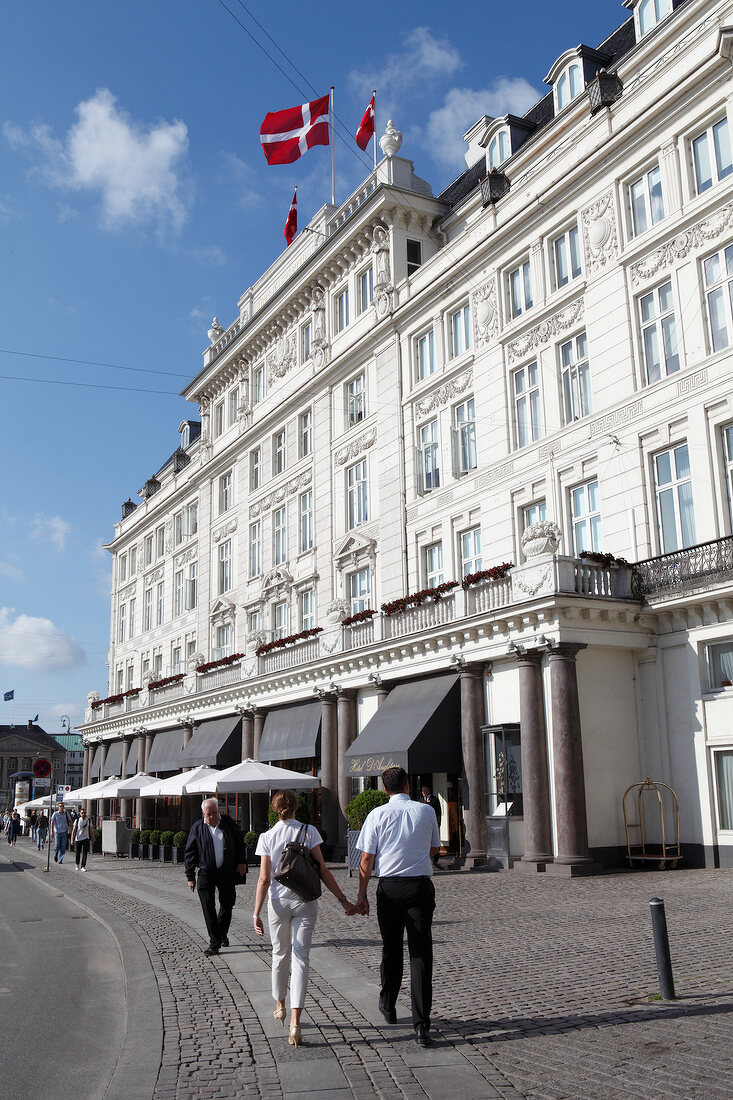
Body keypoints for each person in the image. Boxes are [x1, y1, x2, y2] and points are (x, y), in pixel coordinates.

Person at [253, 790, 357, 1047]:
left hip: (278, 903)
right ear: (297, 807)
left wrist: (256, 912)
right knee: (301, 959)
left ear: (274, 809)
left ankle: (280, 1004)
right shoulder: (310, 831)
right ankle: (296, 1023)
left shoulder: (267, 837)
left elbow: (264, 879)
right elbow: (322, 869)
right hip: (305, 900)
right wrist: (343, 899)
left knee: (280, 954)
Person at [356, 766, 441, 1048]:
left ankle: (389, 1003)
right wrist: (415, 858)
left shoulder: (376, 815)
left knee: (391, 946)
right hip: (418, 886)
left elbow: (367, 859)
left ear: (384, 789)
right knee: (421, 954)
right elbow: (434, 848)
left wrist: (362, 894)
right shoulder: (426, 811)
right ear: (408, 784)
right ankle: (421, 1025)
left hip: (389, 887)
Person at [185, 798, 248, 957]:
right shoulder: (197, 827)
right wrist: (190, 876)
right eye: (209, 814)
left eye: (215, 812)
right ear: (203, 814)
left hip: (226, 872)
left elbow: (240, 842)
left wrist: (241, 861)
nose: (212, 816)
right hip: (206, 873)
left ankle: (221, 934)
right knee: (208, 907)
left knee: (227, 905)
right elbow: (190, 853)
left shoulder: (227, 822)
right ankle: (215, 943)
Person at [421, 785, 442, 869]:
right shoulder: (420, 800)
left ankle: (435, 860)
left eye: (425, 791)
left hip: (433, 823)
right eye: (422, 791)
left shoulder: (435, 800)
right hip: (424, 824)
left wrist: (438, 822)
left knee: (435, 841)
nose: (423, 792)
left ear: (429, 791)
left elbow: (438, 812)